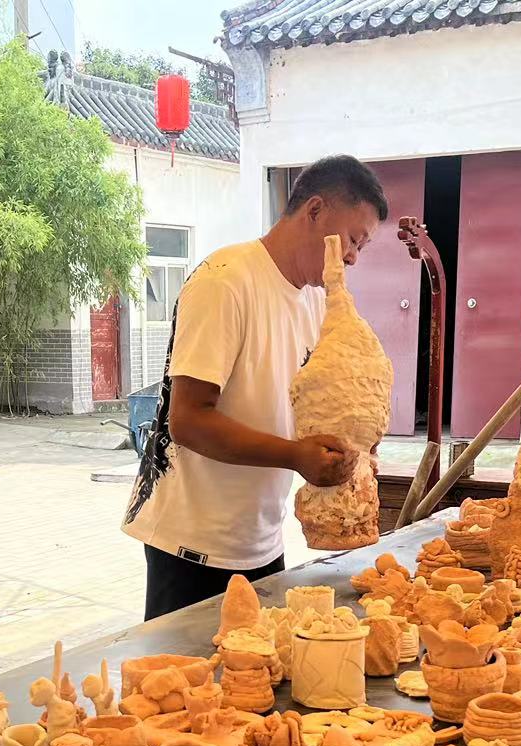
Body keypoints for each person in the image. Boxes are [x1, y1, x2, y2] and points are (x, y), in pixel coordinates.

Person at [123, 154, 388, 621]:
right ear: (315, 210)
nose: (352, 258)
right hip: (193, 544)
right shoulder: (225, 281)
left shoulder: (315, 302)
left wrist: (351, 443)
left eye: (360, 248)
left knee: (261, 661)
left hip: (261, 541)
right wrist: (295, 456)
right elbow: (188, 420)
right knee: (188, 668)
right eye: (353, 240)